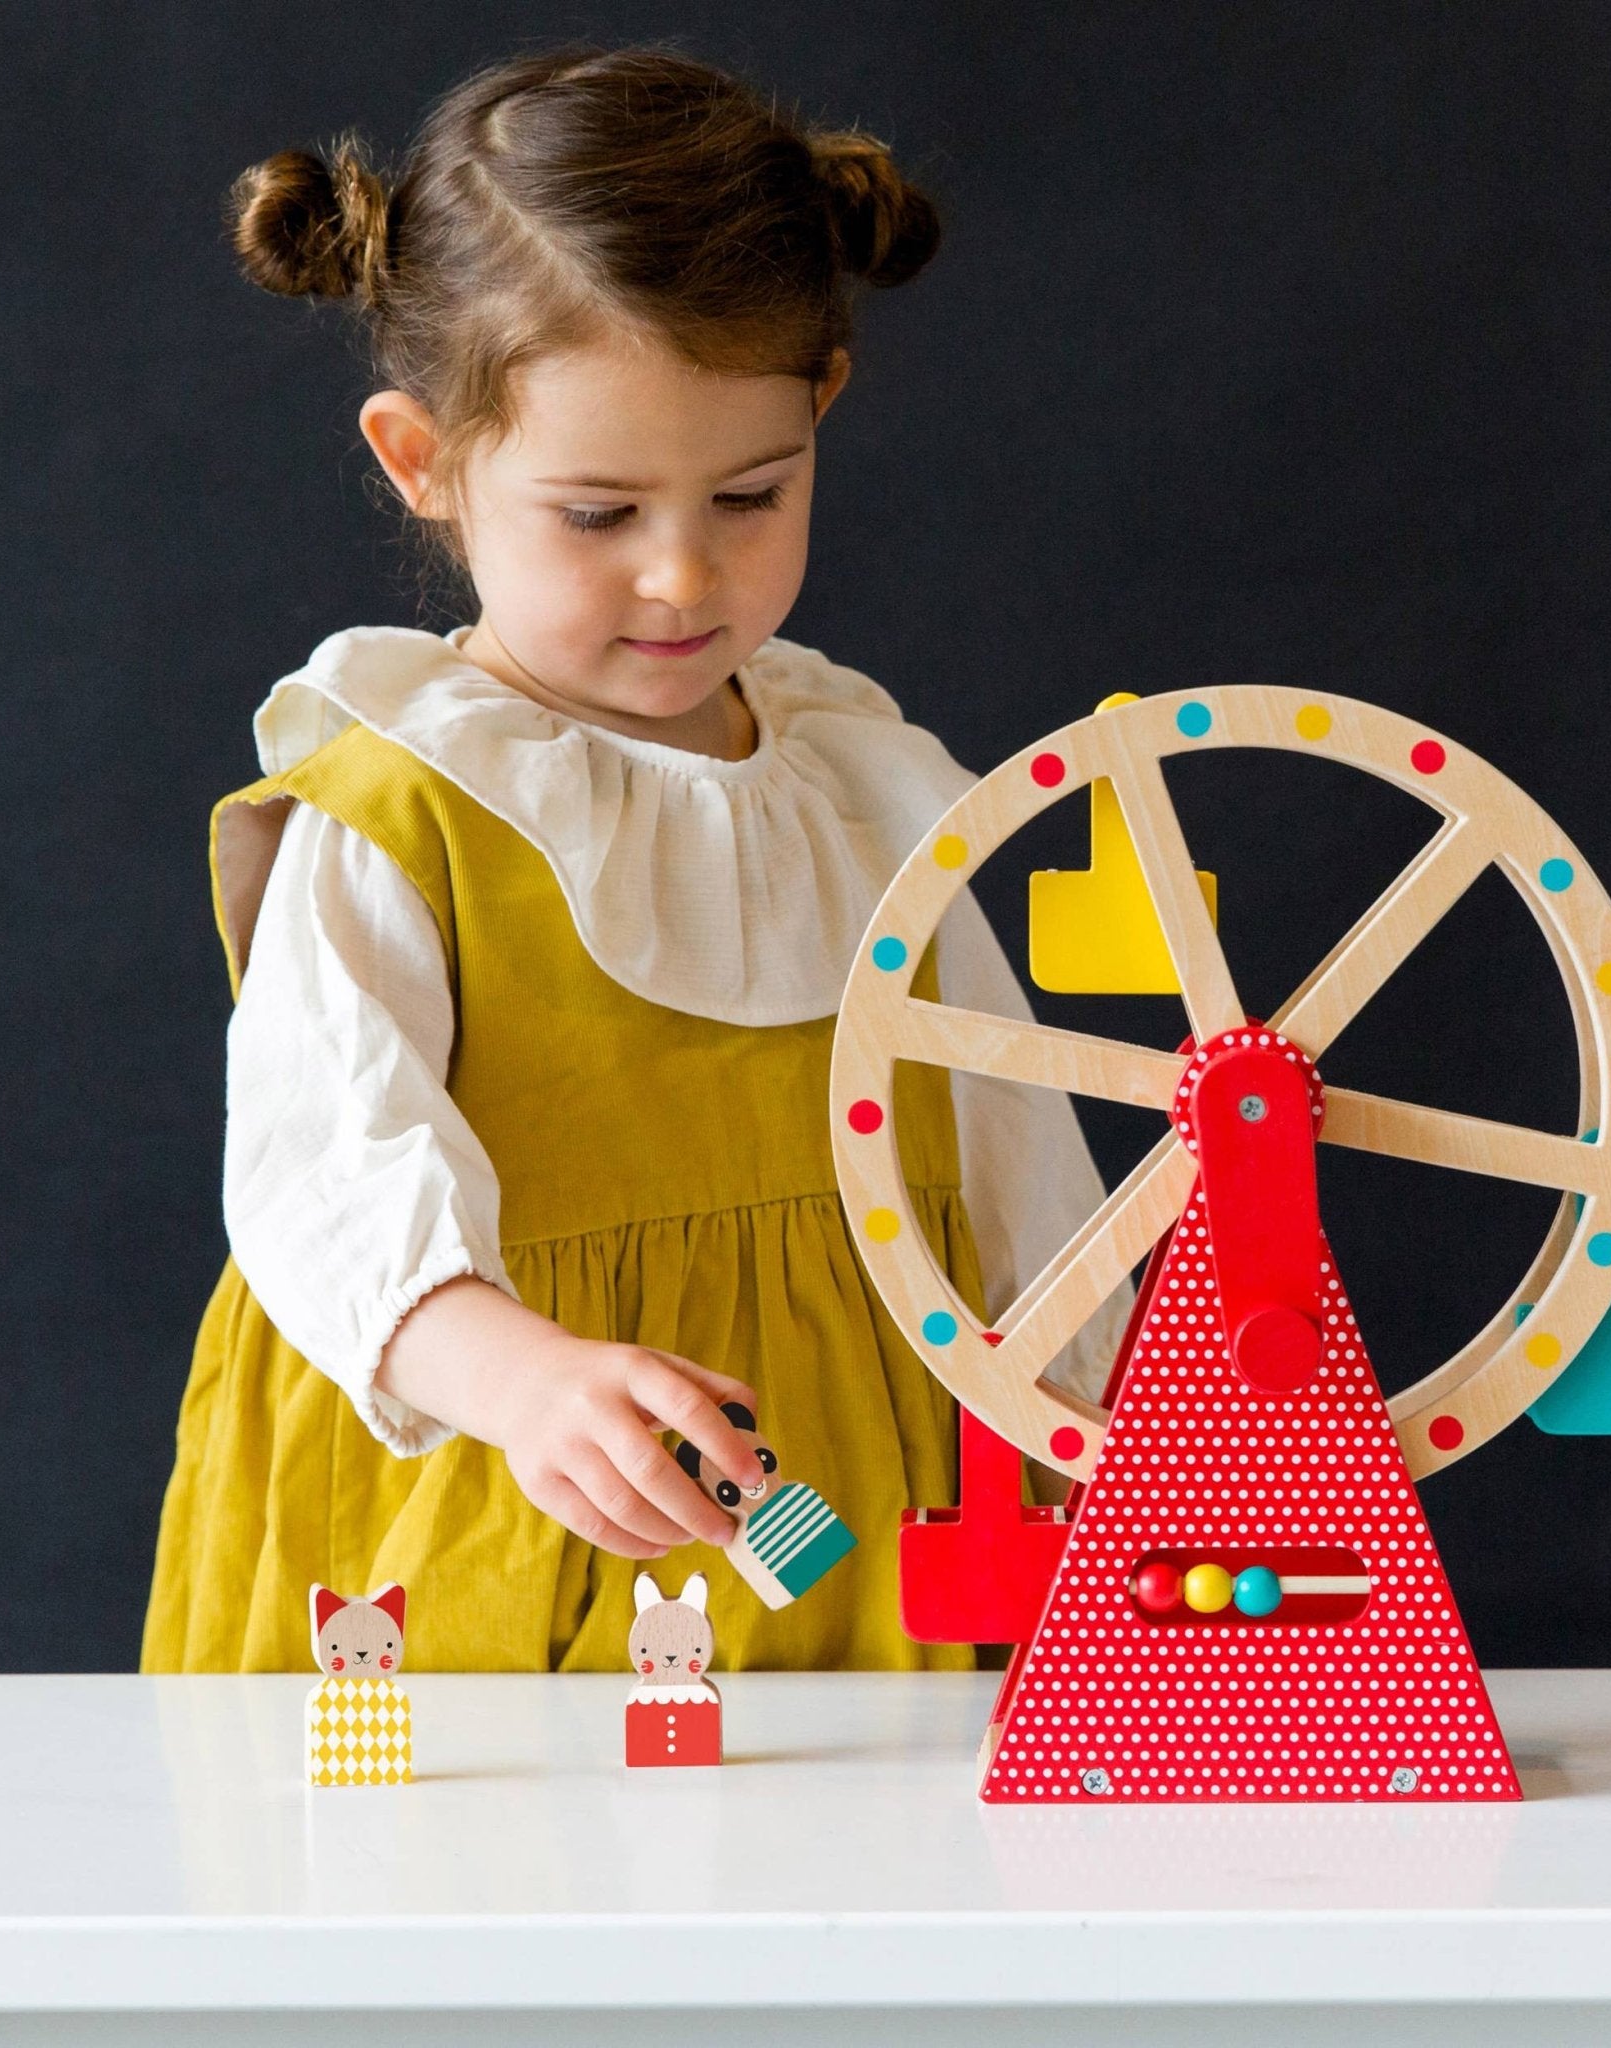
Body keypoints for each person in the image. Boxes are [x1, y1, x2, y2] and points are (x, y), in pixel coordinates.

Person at [142, 45, 1124, 1675]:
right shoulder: (401, 812)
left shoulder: (872, 792)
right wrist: (519, 1379)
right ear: (423, 460)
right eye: (599, 514)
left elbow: (1022, 1160)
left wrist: (1100, 1417)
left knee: (838, 1826)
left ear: (820, 408)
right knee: (518, 1838)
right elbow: (321, 1183)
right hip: (492, 1510)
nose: (684, 575)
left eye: (750, 494)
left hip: (845, 1505)